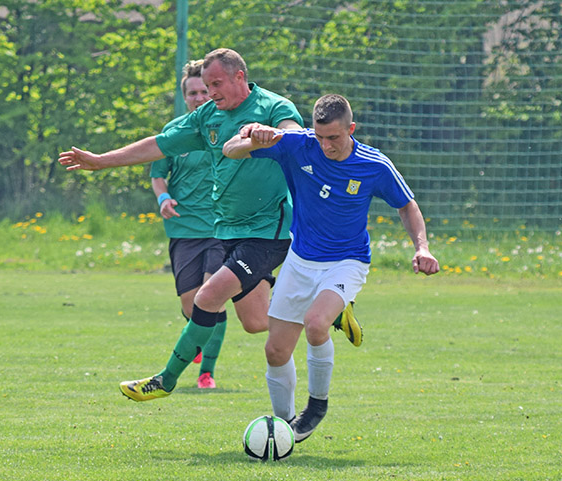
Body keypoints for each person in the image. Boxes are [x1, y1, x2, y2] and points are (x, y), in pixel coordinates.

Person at [60, 49, 361, 403]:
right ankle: (331, 309)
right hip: (227, 230)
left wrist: (271, 134)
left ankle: (166, 379)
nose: (211, 92)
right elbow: (159, 145)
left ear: (239, 77)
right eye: (205, 85)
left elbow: (293, 131)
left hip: (268, 230)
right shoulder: (207, 117)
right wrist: (100, 161)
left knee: (207, 298)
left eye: (216, 84)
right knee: (254, 321)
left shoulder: (273, 106)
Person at [222, 93, 439, 443]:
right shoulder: (296, 145)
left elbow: (407, 205)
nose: (326, 146)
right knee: (275, 351)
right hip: (300, 261)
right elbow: (229, 150)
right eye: (320, 137)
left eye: (334, 138)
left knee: (316, 324)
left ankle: (317, 406)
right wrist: (250, 137)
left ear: (351, 129)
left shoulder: (374, 164)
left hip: (346, 262)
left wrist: (422, 247)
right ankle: (285, 427)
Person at [150, 59, 226, 389]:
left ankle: (206, 371)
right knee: (190, 303)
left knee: (213, 295)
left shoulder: (226, 128)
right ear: (186, 97)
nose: (199, 97)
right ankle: (196, 333)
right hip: (183, 229)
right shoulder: (174, 132)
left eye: (204, 91)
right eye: (193, 93)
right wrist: (163, 199)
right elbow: (157, 175)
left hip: (221, 227)